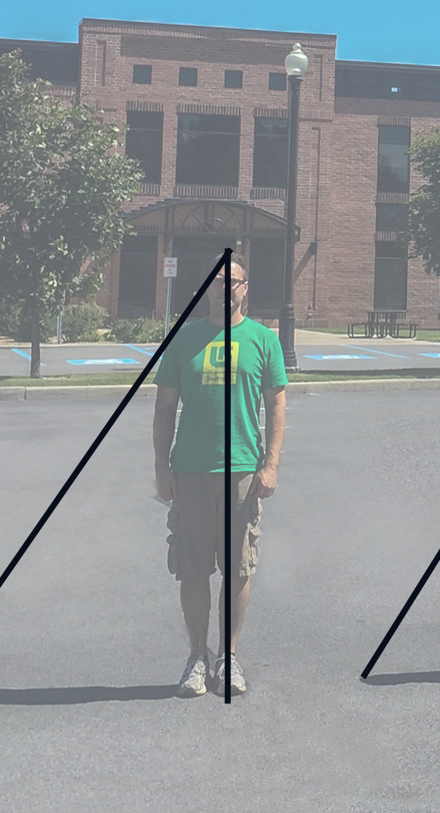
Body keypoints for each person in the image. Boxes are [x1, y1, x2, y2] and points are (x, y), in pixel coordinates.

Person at [153, 254, 287, 698]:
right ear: (207, 288)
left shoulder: (262, 341)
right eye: (216, 280)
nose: (224, 287)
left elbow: (277, 404)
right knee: (192, 569)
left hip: (243, 472)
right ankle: (197, 657)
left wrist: (271, 463)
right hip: (191, 470)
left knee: (238, 568)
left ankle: (228, 656)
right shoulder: (185, 339)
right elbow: (165, 408)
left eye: (233, 280)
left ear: (246, 288)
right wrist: (161, 466)